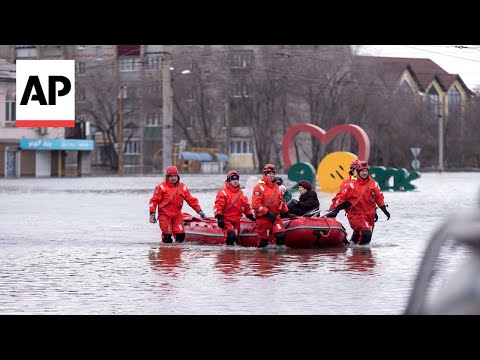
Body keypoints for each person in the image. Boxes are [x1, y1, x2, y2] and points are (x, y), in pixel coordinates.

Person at [326, 161, 390, 245]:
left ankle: (354, 250)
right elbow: (341, 198)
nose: (365, 173)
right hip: (356, 214)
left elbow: (378, 198)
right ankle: (360, 253)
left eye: (366, 171)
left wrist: (384, 211)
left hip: (370, 214)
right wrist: (334, 210)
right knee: (366, 234)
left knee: (363, 236)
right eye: (362, 171)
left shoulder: (373, 183)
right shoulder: (350, 184)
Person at [149, 165, 207, 243]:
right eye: (171, 176)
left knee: (181, 236)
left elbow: (191, 200)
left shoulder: (182, 187)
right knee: (167, 237)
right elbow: (153, 201)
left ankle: (176, 254)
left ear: (177, 176)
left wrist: (200, 211)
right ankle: (166, 254)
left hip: (177, 215)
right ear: (167, 176)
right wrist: (152, 214)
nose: (173, 178)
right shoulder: (161, 187)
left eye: (175, 176)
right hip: (165, 215)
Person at [251, 163, 296, 248]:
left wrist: (287, 213)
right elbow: (256, 204)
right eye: (269, 173)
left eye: (273, 173)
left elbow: (281, 201)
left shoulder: (276, 187)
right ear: (265, 174)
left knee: (281, 235)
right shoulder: (258, 187)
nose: (271, 175)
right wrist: (267, 213)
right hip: (263, 218)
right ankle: (263, 259)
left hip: (275, 217)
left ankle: (277, 259)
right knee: (263, 242)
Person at [213, 170, 256, 246]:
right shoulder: (223, 193)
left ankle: (233, 256)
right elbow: (218, 206)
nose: (235, 181)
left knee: (235, 238)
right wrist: (219, 217)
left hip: (237, 220)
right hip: (226, 220)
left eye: (236, 179)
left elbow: (245, 207)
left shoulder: (241, 193)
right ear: (229, 181)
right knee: (231, 235)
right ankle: (227, 255)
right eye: (233, 179)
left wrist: (250, 215)